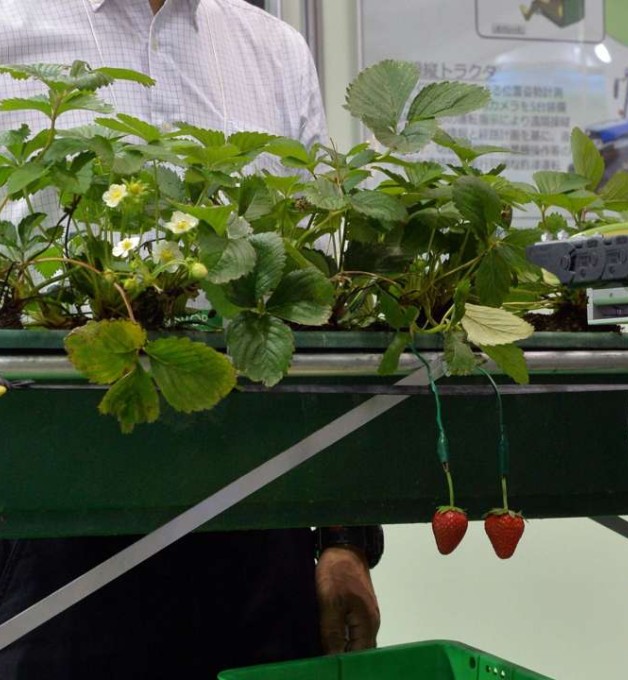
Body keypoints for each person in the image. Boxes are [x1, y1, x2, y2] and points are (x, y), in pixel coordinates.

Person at [0, 0, 383, 677]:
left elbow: (319, 301)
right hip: (56, 521)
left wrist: (343, 540)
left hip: (258, 513)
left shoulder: (272, 49)